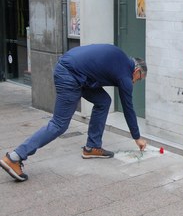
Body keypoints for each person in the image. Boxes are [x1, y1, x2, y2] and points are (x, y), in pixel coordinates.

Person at [0, 44, 147, 182]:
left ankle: (92, 147)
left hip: (75, 71)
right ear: (137, 71)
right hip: (70, 75)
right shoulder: (125, 75)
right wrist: (137, 137)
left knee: (103, 101)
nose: (135, 82)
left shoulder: (120, 57)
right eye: (138, 79)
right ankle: (15, 157)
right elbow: (128, 108)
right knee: (59, 124)